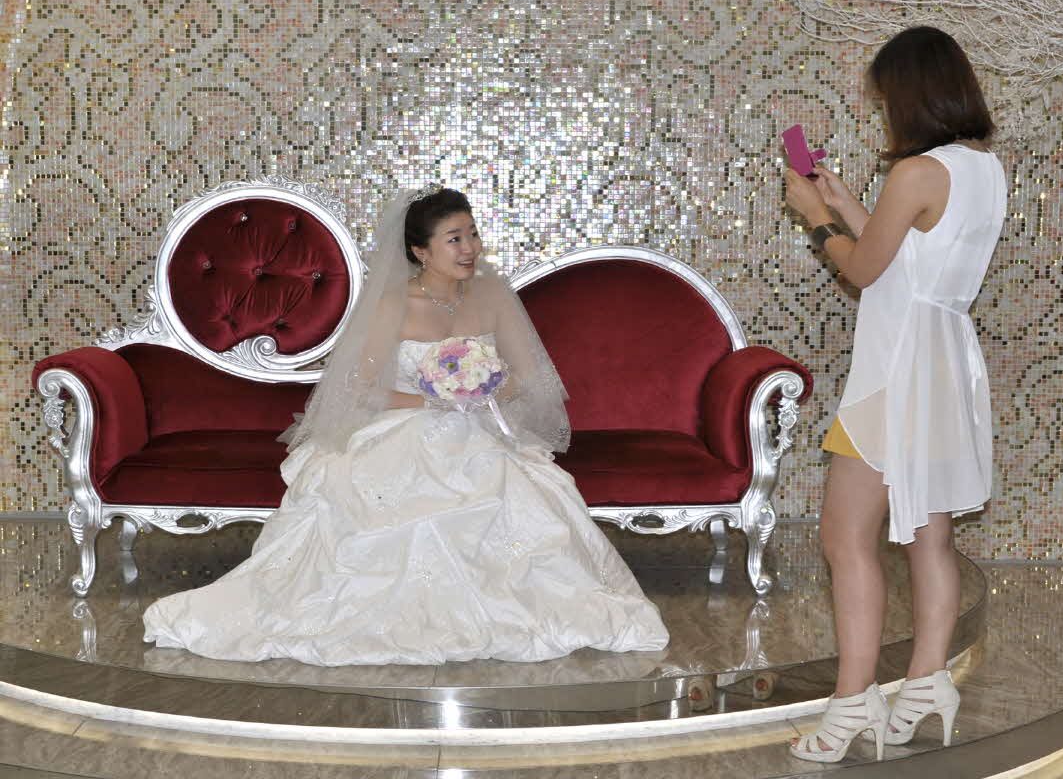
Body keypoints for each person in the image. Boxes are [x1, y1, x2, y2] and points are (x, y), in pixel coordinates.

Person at [142, 186, 670, 666]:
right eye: (454, 238)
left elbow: (528, 377)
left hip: (481, 428)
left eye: (473, 234)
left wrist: (482, 392)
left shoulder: (491, 296)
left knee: (523, 490)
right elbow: (362, 391)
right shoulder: (395, 303)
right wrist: (433, 400)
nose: (470, 248)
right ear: (421, 250)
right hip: (402, 426)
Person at [782, 26, 1007, 762]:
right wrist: (849, 204)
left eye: (885, 101)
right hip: (946, 366)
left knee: (845, 538)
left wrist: (817, 219)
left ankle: (852, 707)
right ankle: (926, 683)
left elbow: (865, 271)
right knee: (930, 537)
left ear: (909, 95)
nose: (884, 113)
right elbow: (912, 257)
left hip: (895, 371)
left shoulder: (916, 171)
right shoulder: (983, 169)